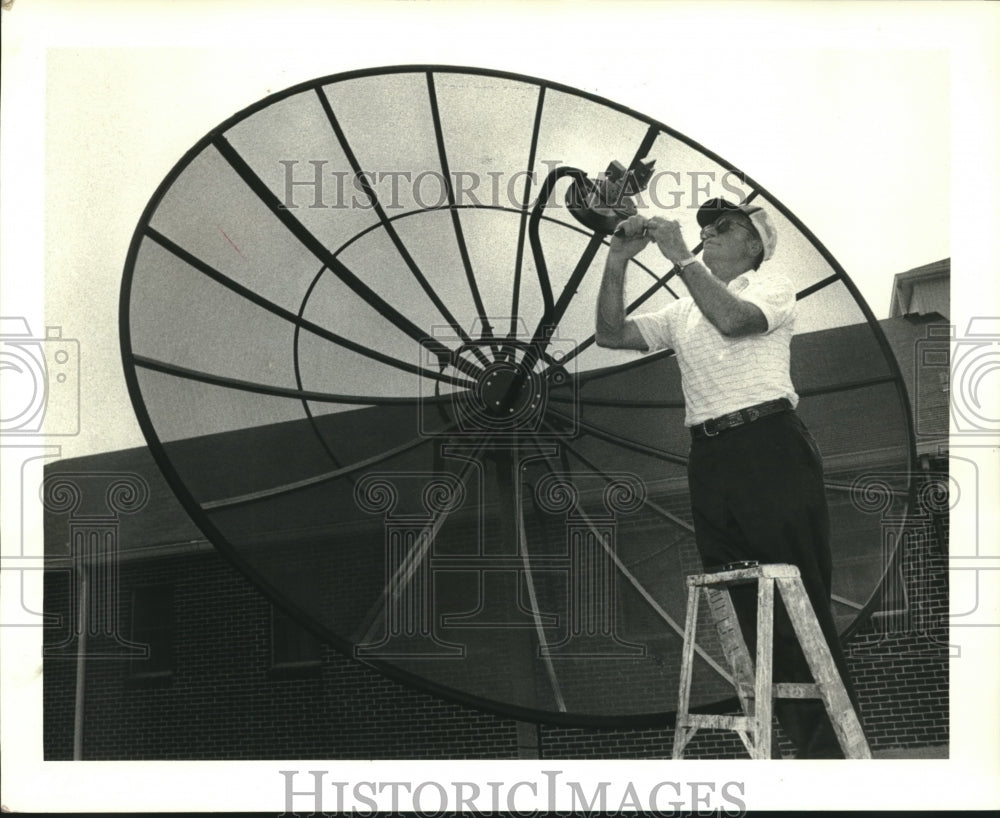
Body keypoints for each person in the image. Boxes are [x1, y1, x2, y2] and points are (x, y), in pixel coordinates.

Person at [595, 197, 862, 759]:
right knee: (744, 609)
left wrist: (675, 255)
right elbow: (611, 335)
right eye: (706, 228)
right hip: (710, 458)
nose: (710, 234)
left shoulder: (770, 287)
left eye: (727, 228)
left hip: (770, 447)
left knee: (798, 602)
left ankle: (832, 760)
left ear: (755, 247)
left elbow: (735, 322)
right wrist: (618, 258)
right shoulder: (682, 310)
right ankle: (790, 749)